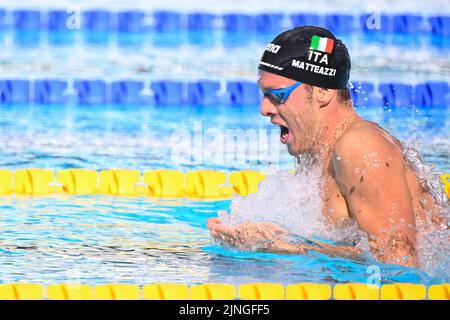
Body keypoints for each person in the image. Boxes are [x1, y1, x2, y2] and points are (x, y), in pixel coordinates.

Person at [207, 26, 448, 268]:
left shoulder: (360, 147)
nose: (264, 109)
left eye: (277, 95)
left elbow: (401, 266)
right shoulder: (316, 151)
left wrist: (290, 246)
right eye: (264, 94)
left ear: (322, 92)